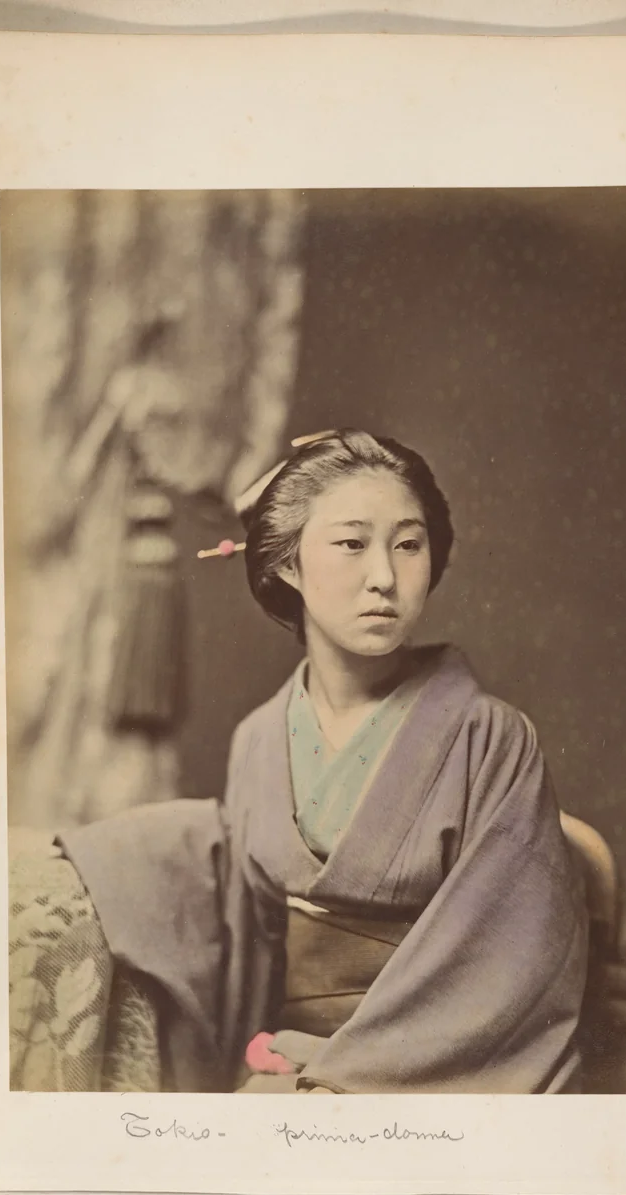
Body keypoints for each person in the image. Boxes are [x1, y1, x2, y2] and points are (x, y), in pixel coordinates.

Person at [59, 429, 590, 1094]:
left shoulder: (492, 739)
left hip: (435, 1074)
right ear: (287, 563)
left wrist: (342, 1073)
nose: (384, 577)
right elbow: (248, 956)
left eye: (408, 544)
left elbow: (507, 972)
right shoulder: (258, 739)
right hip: (290, 1063)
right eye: (350, 543)